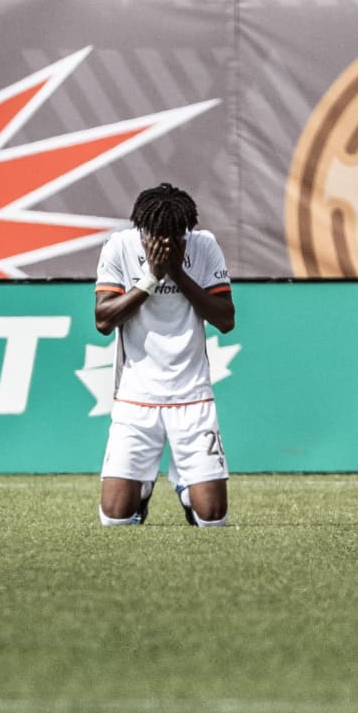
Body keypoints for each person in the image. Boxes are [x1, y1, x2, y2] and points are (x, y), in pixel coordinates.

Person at [93, 183, 235, 527]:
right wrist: (152, 278)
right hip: (136, 398)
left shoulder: (205, 246)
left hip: (192, 397)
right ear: (142, 228)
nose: (166, 242)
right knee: (116, 519)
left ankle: (187, 489)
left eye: (176, 235)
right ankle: (141, 490)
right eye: (157, 233)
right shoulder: (120, 246)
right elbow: (103, 320)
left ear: (187, 230)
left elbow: (226, 319)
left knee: (212, 519)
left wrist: (178, 273)